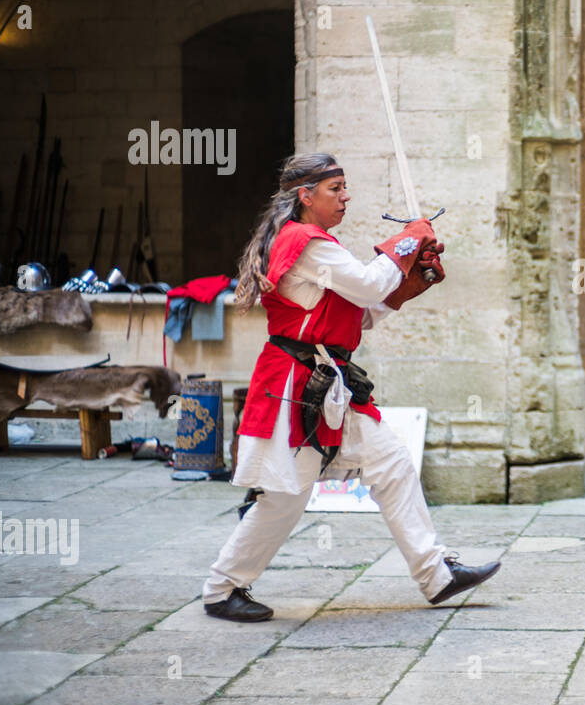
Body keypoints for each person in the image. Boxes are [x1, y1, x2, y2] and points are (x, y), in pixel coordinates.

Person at [201, 153, 500, 621]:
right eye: (335, 188)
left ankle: (436, 574)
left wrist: (408, 282)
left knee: (391, 463)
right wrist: (408, 241)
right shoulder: (306, 242)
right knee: (283, 498)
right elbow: (364, 285)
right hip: (295, 389)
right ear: (306, 195)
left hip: (320, 386)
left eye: (345, 187)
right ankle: (221, 589)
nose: (346, 196)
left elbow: (354, 314)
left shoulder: (313, 244)